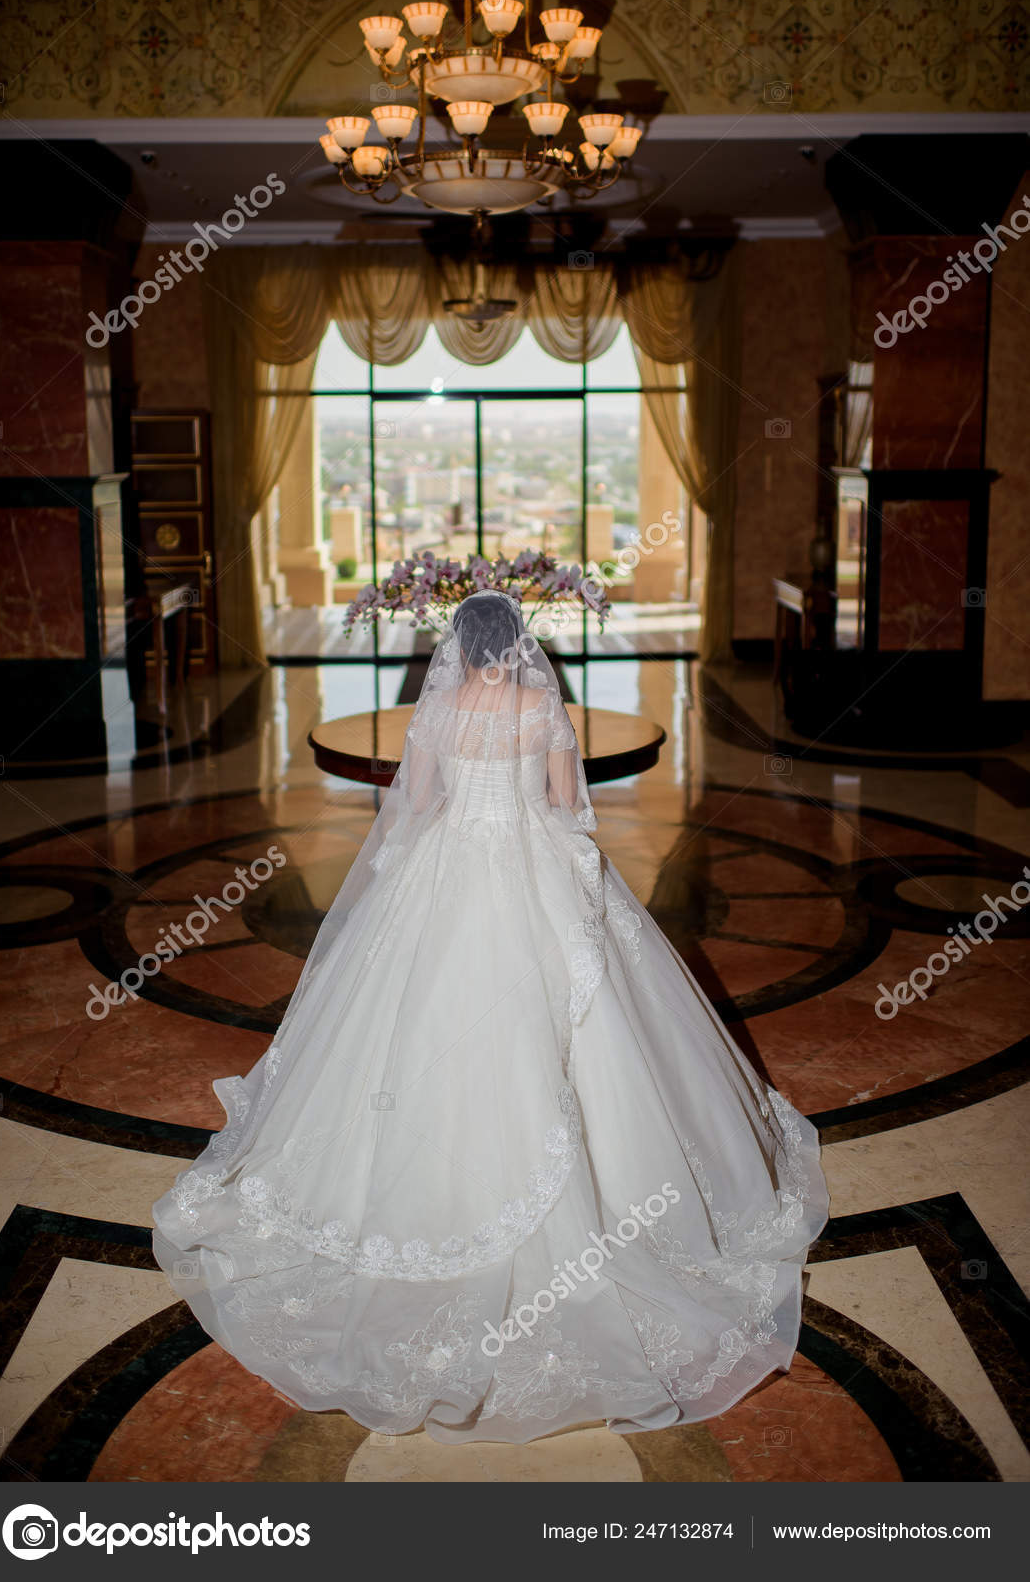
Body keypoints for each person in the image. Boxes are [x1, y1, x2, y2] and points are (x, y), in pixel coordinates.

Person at [152, 590, 828, 1443]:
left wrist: (407, 873)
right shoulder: (544, 706)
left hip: (447, 873)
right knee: (585, 1031)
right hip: (531, 867)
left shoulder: (437, 714)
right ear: (518, 646)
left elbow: (415, 805)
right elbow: (568, 811)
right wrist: (570, 872)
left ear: (458, 652)